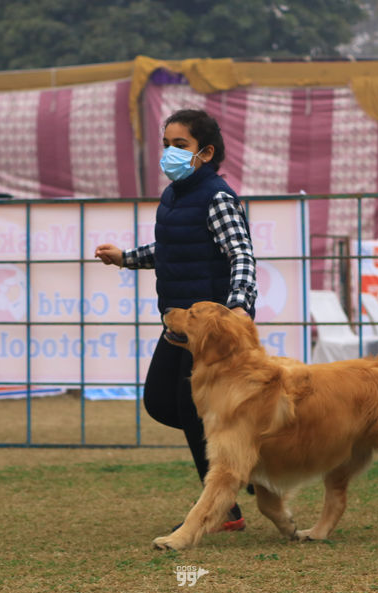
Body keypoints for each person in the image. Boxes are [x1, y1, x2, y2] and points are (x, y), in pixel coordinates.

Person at [95, 109, 257, 532]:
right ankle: (250, 463)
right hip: (179, 326)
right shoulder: (173, 197)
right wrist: (126, 258)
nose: (170, 152)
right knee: (160, 402)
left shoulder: (217, 197)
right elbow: (171, 250)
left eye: (180, 145)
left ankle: (225, 507)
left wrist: (239, 305)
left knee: (189, 409)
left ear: (206, 152)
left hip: (212, 330)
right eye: (166, 144)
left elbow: (241, 253)